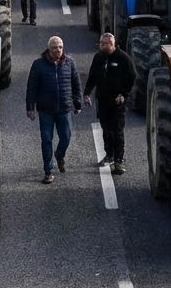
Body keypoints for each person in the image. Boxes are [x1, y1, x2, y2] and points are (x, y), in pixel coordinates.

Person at [25, 36, 83, 184]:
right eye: (55, 48)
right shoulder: (38, 64)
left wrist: (78, 103)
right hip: (46, 110)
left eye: (60, 47)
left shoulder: (69, 63)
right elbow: (31, 87)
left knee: (66, 137)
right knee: (46, 139)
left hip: (64, 109)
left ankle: (59, 154)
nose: (58, 50)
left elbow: (76, 84)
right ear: (49, 49)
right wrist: (30, 107)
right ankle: (48, 171)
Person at [84, 33, 136, 175]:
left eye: (106, 44)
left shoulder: (123, 58)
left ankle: (119, 160)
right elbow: (92, 77)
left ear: (113, 44)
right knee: (106, 129)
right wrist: (87, 93)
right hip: (102, 100)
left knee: (117, 130)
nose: (103, 46)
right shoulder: (98, 58)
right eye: (102, 43)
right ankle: (109, 155)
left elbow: (132, 77)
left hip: (117, 101)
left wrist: (124, 94)